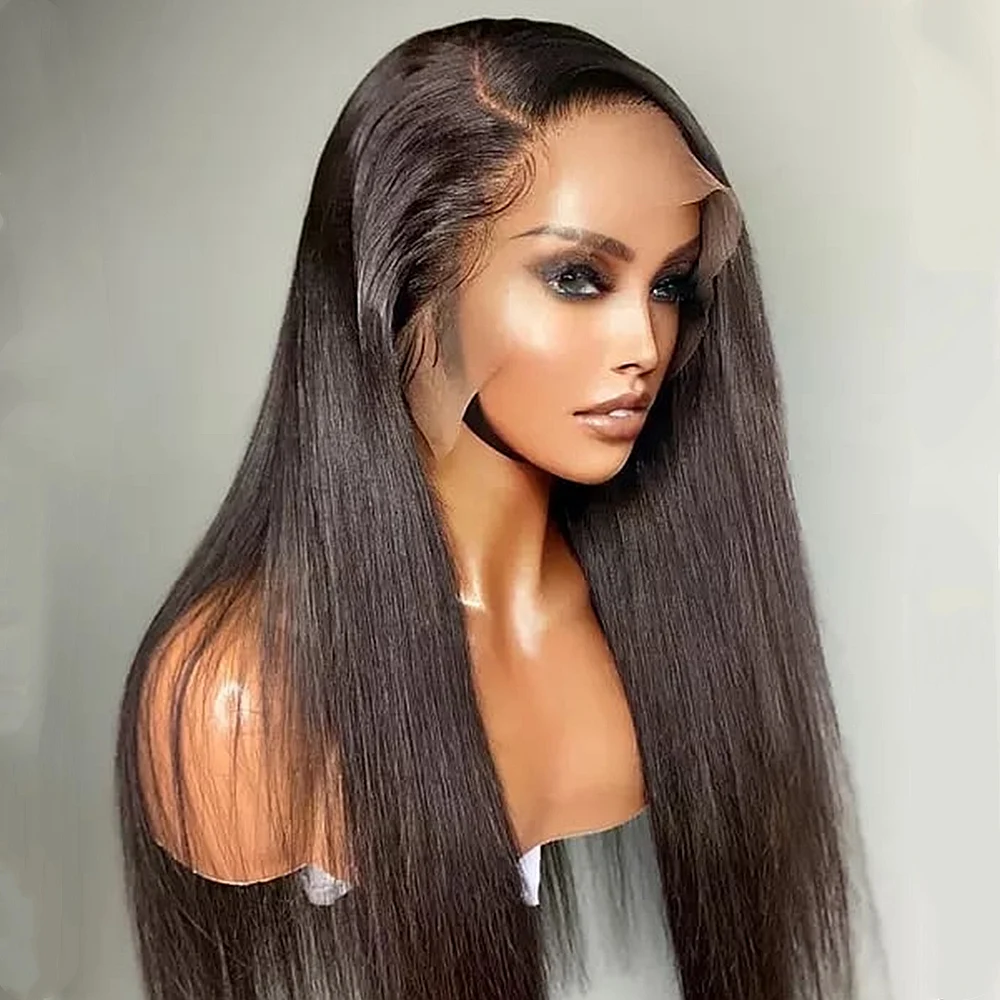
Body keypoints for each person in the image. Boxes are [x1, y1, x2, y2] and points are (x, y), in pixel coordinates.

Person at [115, 16, 869, 1000]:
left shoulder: (667, 627)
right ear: (408, 283)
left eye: (671, 285)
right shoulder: (240, 696)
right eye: (577, 277)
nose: (644, 343)